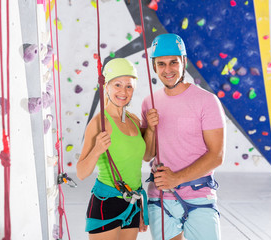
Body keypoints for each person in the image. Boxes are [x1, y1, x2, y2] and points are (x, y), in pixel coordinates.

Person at [141, 33, 226, 240]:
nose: (167, 69)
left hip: (199, 195)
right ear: (154, 67)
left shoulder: (207, 101)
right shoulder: (149, 102)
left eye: (173, 62)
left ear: (184, 62)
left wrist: (176, 178)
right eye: (161, 64)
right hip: (160, 198)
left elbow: (216, 155)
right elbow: (146, 155)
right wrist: (151, 129)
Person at [76, 58, 151, 240]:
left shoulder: (134, 120)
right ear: (106, 87)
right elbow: (81, 173)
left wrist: (151, 129)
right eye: (117, 84)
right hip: (106, 203)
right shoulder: (99, 123)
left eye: (129, 86)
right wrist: (96, 150)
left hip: (132, 203)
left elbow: (147, 156)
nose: (123, 92)